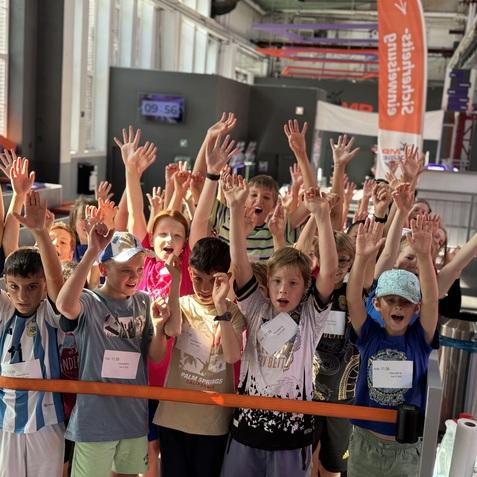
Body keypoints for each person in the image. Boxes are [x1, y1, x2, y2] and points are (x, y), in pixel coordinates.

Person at [220, 174, 337, 477]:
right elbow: (240, 264)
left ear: (306, 287)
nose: (284, 290)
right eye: (277, 282)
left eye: (293, 283)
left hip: (291, 437)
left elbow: (329, 273)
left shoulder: (311, 316)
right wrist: (235, 208)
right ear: (268, 284)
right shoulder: (256, 307)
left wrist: (322, 217)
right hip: (247, 430)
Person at [56, 227, 171, 477]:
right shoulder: (90, 301)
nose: (135, 276)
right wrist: (91, 252)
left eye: (139, 269)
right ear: (104, 270)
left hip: (133, 416)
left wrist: (160, 328)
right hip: (95, 418)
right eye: (126, 270)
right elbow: (64, 305)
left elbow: (156, 355)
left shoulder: (144, 301)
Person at [346, 216, 439, 477]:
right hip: (364, 442)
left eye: (405, 302)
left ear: (416, 308)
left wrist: (424, 257)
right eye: (391, 300)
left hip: (405, 449)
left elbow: (432, 301)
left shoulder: (419, 339)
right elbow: (353, 300)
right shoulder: (369, 335)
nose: (398, 307)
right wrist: (361, 257)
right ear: (377, 304)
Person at [154, 237, 245, 477]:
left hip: (213, 423)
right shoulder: (182, 303)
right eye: (198, 279)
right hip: (174, 417)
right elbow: (172, 330)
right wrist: (175, 281)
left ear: (226, 277)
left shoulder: (233, 312)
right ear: (189, 272)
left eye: (213, 280)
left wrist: (221, 306)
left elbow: (232, 356)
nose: (205, 288)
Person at [0, 191, 65, 477]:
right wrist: (16, 195)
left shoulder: (49, 313)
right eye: (14, 287)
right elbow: (7, 248)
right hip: (5, 421)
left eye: (32, 287)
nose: (22, 296)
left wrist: (41, 233)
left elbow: (56, 280)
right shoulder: (5, 310)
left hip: (46, 421)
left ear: (43, 285)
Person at [312, 232, 359, 477]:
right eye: (330, 257)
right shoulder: (309, 291)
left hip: (343, 395)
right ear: (317, 258)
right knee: (305, 459)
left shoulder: (356, 292)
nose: (337, 265)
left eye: (343, 260)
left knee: (334, 464)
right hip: (308, 391)